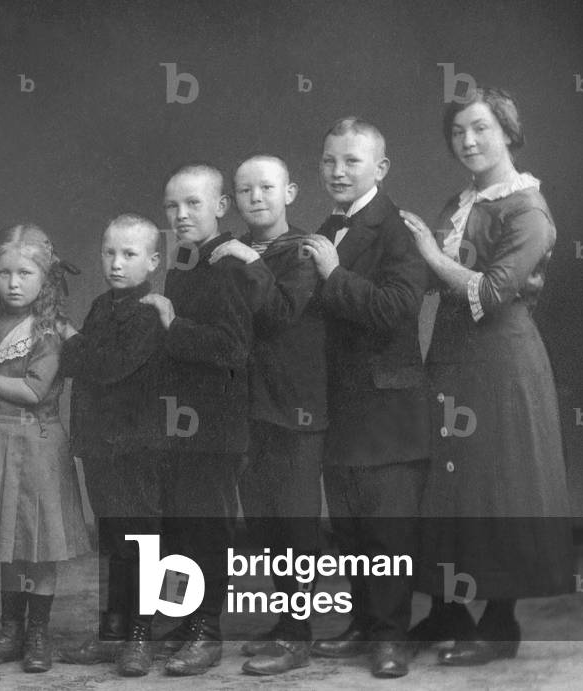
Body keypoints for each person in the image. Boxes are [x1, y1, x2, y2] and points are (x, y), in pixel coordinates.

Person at [400, 87, 574, 665]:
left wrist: (428, 253)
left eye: (481, 129)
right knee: (449, 482)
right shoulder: (462, 201)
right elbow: (431, 280)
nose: (468, 141)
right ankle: (449, 611)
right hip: (451, 359)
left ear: (508, 133)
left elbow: (492, 292)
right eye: (457, 132)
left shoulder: (528, 210)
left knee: (500, 484)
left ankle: (499, 624)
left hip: (502, 363)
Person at [302, 118, 429, 679]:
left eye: (351, 162)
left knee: (387, 530)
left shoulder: (396, 229)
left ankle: (391, 637)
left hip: (387, 408)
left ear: (379, 169)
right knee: (351, 526)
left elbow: (394, 309)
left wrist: (330, 275)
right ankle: (361, 624)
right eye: (329, 161)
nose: (337, 171)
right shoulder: (328, 225)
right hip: (341, 406)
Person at [140, 163, 261, 676]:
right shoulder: (184, 262)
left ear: (220, 207)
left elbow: (234, 348)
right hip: (180, 421)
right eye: (171, 205)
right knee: (177, 527)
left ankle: (206, 631)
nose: (181, 214)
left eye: (192, 203)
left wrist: (172, 324)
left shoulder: (229, 264)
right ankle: (180, 618)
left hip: (216, 422)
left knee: (204, 528)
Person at [209, 154, 328, 676]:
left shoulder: (302, 252)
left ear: (291, 192)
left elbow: (281, 312)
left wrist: (247, 259)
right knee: (264, 523)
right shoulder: (227, 253)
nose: (254, 198)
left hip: (294, 406)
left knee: (296, 524)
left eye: (266, 188)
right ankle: (284, 623)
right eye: (244, 190)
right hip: (246, 407)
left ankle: (299, 633)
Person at [0, 223, 90, 673]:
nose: (14, 284)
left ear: (47, 278)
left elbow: (36, 390)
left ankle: (39, 632)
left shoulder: (50, 329)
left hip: (35, 445)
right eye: (4, 273)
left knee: (37, 542)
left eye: (25, 273)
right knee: (10, 542)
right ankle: (9, 631)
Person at [56, 214, 167, 677]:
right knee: (113, 539)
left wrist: (70, 338)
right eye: (109, 253)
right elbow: (79, 366)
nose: (116, 263)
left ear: (154, 260)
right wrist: (77, 349)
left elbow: (107, 366)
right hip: (101, 445)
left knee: (141, 541)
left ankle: (141, 634)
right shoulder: (103, 305)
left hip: (136, 447)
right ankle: (114, 628)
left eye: (129, 254)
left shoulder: (149, 311)